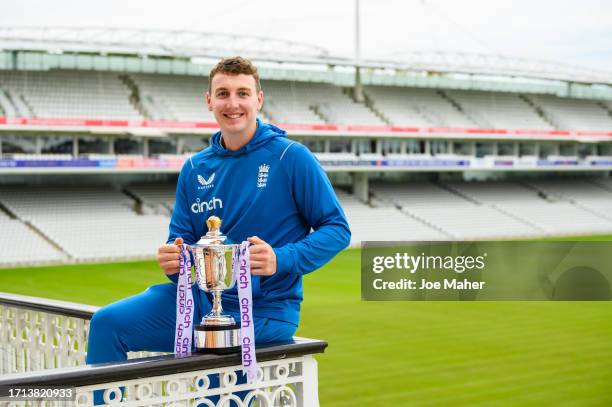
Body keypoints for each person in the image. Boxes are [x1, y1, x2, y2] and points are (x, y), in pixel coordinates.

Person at [86, 56, 351, 367]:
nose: (233, 103)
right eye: (223, 93)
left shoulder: (291, 157)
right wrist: (173, 260)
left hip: (264, 311)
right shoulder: (194, 168)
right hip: (197, 303)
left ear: (259, 100)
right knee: (106, 323)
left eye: (243, 93)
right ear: (209, 101)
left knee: (213, 384)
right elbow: (181, 241)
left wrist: (282, 258)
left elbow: (337, 229)